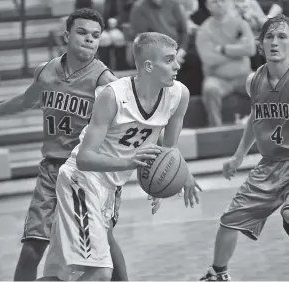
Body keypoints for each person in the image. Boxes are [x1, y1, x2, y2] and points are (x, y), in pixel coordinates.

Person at [0, 8, 160, 281]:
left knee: (104, 243)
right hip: (52, 172)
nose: (89, 39)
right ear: (66, 36)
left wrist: (150, 157)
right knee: (32, 248)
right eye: (82, 32)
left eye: (95, 35)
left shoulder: (105, 81)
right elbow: (25, 100)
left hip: (89, 174)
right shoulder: (46, 71)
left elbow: (133, 121)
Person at [40, 32, 202, 281]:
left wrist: (180, 176)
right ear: (148, 66)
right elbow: (84, 158)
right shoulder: (112, 96)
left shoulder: (179, 95)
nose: (178, 65)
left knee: (64, 275)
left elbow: (168, 150)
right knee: (102, 272)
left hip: (110, 188)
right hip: (80, 181)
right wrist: (130, 162)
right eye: (169, 60)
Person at [200, 14, 289, 281]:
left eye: (282, 36)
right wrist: (239, 155)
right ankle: (217, 273)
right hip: (269, 165)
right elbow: (255, 118)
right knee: (229, 221)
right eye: (269, 37)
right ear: (260, 44)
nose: (275, 42)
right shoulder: (255, 81)